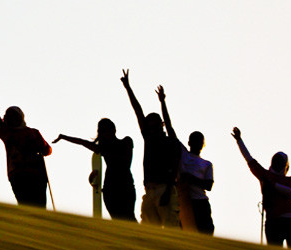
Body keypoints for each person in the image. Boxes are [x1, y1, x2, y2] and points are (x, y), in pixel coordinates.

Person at [0, 78, 52, 208]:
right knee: (29, 206)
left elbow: (47, 150)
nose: (10, 118)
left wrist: (38, 147)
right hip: (21, 175)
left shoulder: (29, 132)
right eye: (8, 116)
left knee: (34, 207)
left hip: (31, 174)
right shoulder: (8, 132)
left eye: (13, 116)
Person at [120, 70, 180, 227]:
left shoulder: (170, 141)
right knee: (148, 230)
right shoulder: (149, 139)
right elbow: (138, 111)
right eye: (150, 126)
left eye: (155, 125)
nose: (152, 129)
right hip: (149, 191)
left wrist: (162, 102)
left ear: (161, 125)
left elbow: (174, 168)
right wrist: (128, 88)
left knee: (170, 229)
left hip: (165, 189)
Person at [232, 127, 291, 248]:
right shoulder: (265, 175)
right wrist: (239, 140)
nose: (278, 163)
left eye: (280, 161)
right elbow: (249, 159)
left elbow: (290, 192)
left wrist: (271, 183)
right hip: (276, 220)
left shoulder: (290, 179)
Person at [157, 86, 214, 234]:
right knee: (185, 231)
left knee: (206, 233)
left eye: (200, 141)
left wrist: (191, 178)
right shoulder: (183, 153)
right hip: (184, 200)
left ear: (203, 144)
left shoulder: (207, 164)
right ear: (189, 142)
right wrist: (163, 102)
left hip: (200, 202)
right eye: (194, 140)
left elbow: (208, 185)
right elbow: (169, 128)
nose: (197, 143)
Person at [53, 118, 136, 221]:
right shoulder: (103, 148)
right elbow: (82, 142)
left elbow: (125, 161)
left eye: (107, 129)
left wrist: (104, 149)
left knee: (129, 219)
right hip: (111, 190)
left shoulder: (126, 141)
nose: (106, 133)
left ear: (114, 129)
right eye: (103, 131)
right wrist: (63, 137)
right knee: (119, 221)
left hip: (125, 188)